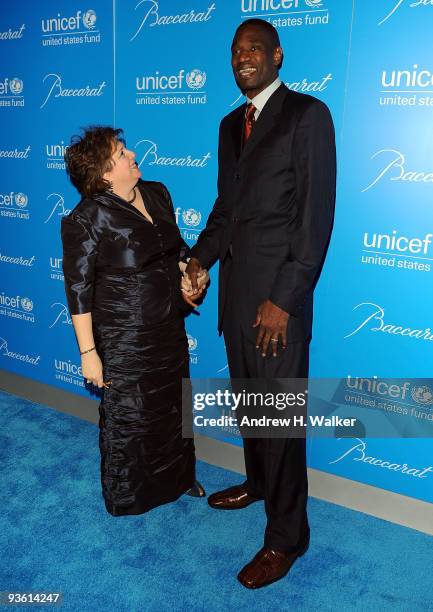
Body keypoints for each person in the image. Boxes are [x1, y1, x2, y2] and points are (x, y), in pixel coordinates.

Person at [186, 19, 336, 588]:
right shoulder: (230, 125)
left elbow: (315, 219)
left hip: (279, 305)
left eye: (254, 48)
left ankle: (286, 537)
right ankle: (257, 482)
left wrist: (285, 299)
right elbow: (227, 211)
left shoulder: (307, 116)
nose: (243, 57)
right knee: (253, 408)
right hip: (236, 299)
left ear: (277, 54)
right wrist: (201, 260)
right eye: (235, 50)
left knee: (280, 422)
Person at [61, 126, 206, 517]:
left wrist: (189, 272)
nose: (131, 155)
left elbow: (174, 247)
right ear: (105, 173)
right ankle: (131, 495)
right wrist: (89, 353)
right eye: (121, 153)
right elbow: (78, 289)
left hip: (169, 327)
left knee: (174, 407)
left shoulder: (157, 193)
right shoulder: (87, 218)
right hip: (125, 335)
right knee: (132, 416)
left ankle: (179, 478)